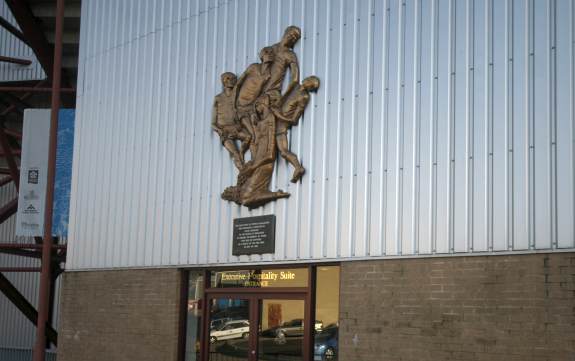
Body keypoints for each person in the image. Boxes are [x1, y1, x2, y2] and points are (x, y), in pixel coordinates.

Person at [271, 76, 320, 182]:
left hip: (280, 125)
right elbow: (282, 98)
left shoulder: (304, 97)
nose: (305, 80)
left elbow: (294, 120)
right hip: (271, 120)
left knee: (283, 151)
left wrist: (278, 115)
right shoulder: (295, 86)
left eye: (309, 81)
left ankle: (298, 167)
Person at [211, 72, 250, 169]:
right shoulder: (218, 98)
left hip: (236, 128)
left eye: (233, 78)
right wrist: (220, 131)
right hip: (225, 132)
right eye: (228, 78)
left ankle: (241, 153)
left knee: (248, 137)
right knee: (234, 153)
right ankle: (243, 172)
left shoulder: (237, 97)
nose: (231, 81)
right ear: (224, 81)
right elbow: (213, 123)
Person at [235, 47, 275, 140]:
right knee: (252, 134)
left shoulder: (268, 75)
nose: (269, 54)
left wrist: (253, 111)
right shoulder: (254, 67)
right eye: (266, 52)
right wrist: (233, 105)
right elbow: (238, 83)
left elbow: (260, 93)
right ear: (261, 55)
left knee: (256, 133)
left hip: (250, 107)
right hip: (240, 104)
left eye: (271, 52)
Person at [263, 26, 301, 105]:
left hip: (272, 93)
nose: (292, 38)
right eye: (291, 34)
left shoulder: (290, 55)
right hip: (259, 89)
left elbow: (295, 79)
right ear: (286, 32)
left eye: (295, 38)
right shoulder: (269, 49)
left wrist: (284, 98)